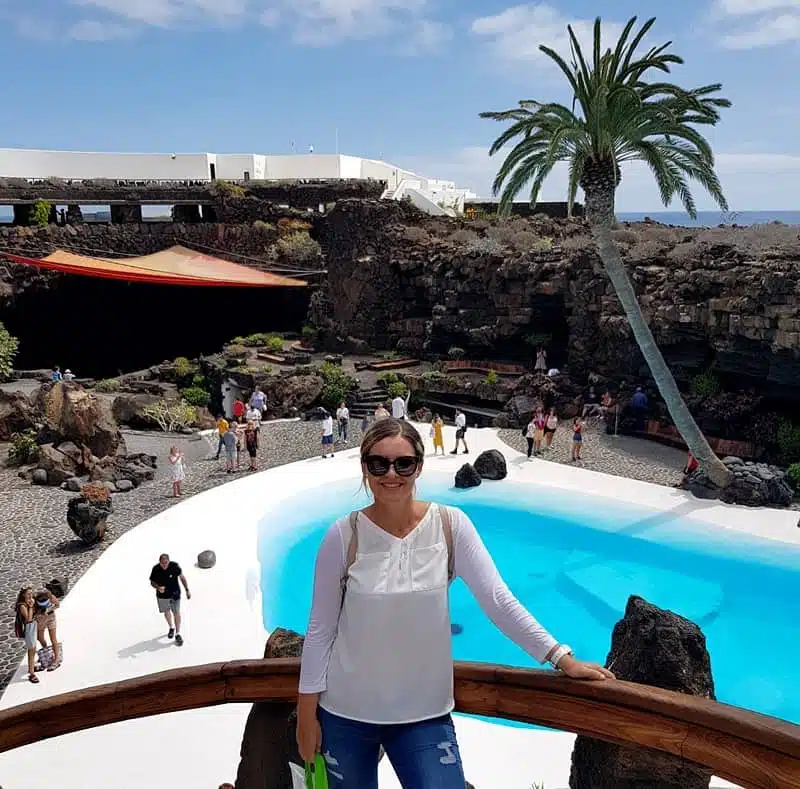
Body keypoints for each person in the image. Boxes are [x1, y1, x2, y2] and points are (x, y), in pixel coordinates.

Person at [295, 419, 614, 789]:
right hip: (345, 712)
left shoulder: (450, 526)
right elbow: (321, 628)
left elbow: (497, 600)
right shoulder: (343, 536)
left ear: (419, 466)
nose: (391, 474)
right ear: (365, 468)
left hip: (424, 713)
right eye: (378, 463)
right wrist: (306, 713)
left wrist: (562, 658)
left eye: (404, 463)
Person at [149, 553, 190, 646]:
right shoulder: (156, 569)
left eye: (165, 563)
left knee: (176, 613)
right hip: (162, 596)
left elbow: (182, 578)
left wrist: (187, 589)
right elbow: (152, 582)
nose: (164, 565)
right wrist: (158, 587)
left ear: (169, 561)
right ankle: (171, 627)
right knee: (166, 612)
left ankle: (178, 633)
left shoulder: (174, 566)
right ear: (159, 562)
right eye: (162, 563)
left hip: (175, 593)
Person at [15, 588, 39, 683]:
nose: (30, 595)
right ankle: (32, 673)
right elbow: (28, 619)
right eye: (28, 594)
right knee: (31, 649)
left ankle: (31, 667)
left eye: (31, 593)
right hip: (28, 628)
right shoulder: (22, 606)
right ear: (24, 595)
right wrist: (31, 606)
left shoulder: (28, 603)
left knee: (33, 648)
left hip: (33, 626)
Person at [34, 589, 62, 671]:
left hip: (51, 618)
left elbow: (57, 605)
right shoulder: (35, 600)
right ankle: (47, 652)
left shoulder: (51, 597)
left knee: (53, 638)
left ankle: (56, 660)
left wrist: (48, 609)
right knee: (40, 638)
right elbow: (34, 611)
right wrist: (38, 614)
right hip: (40, 619)